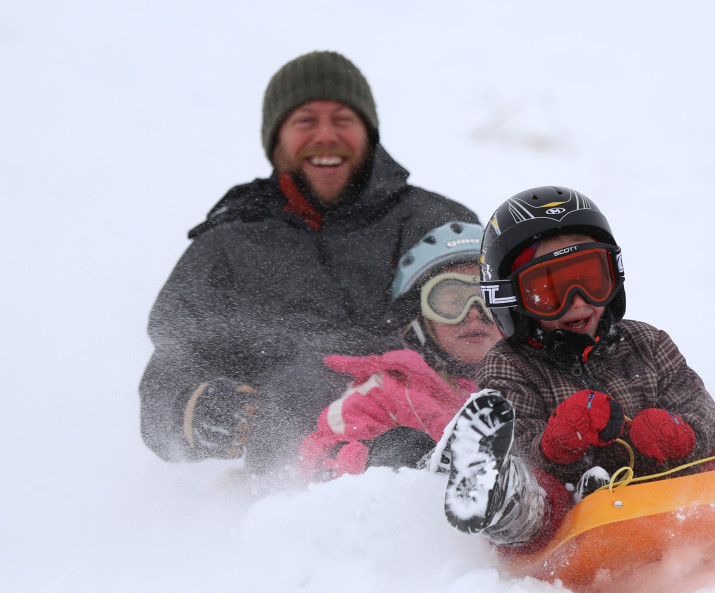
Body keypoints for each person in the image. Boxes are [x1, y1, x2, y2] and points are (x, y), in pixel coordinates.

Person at [438, 186, 715, 553]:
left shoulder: (647, 344)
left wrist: (681, 435)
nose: (577, 302)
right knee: (543, 495)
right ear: (510, 300)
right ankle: (502, 499)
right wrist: (556, 445)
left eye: (590, 279)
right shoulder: (508, 365)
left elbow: (701, 412)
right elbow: (516, 440)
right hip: (572, 515)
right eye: (548, 291)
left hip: (667, 493)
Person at [140, 51, 478, 476]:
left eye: (342, 120)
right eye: (305, 122)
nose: (325, 135)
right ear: (276, 139)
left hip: (436, 444)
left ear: (369, 132)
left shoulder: (438, 226)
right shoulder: (229, 246)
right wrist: (191, 408)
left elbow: (502, 330)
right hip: (291, 467)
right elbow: (174, 362)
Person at [298, 222, 501, 481]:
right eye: (451, 301)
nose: (474, 312)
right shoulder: (389, 391)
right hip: (422, 513)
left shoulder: (539, 379)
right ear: (419, 318)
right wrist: (374, 460)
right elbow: (320, 453)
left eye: (488, 297)